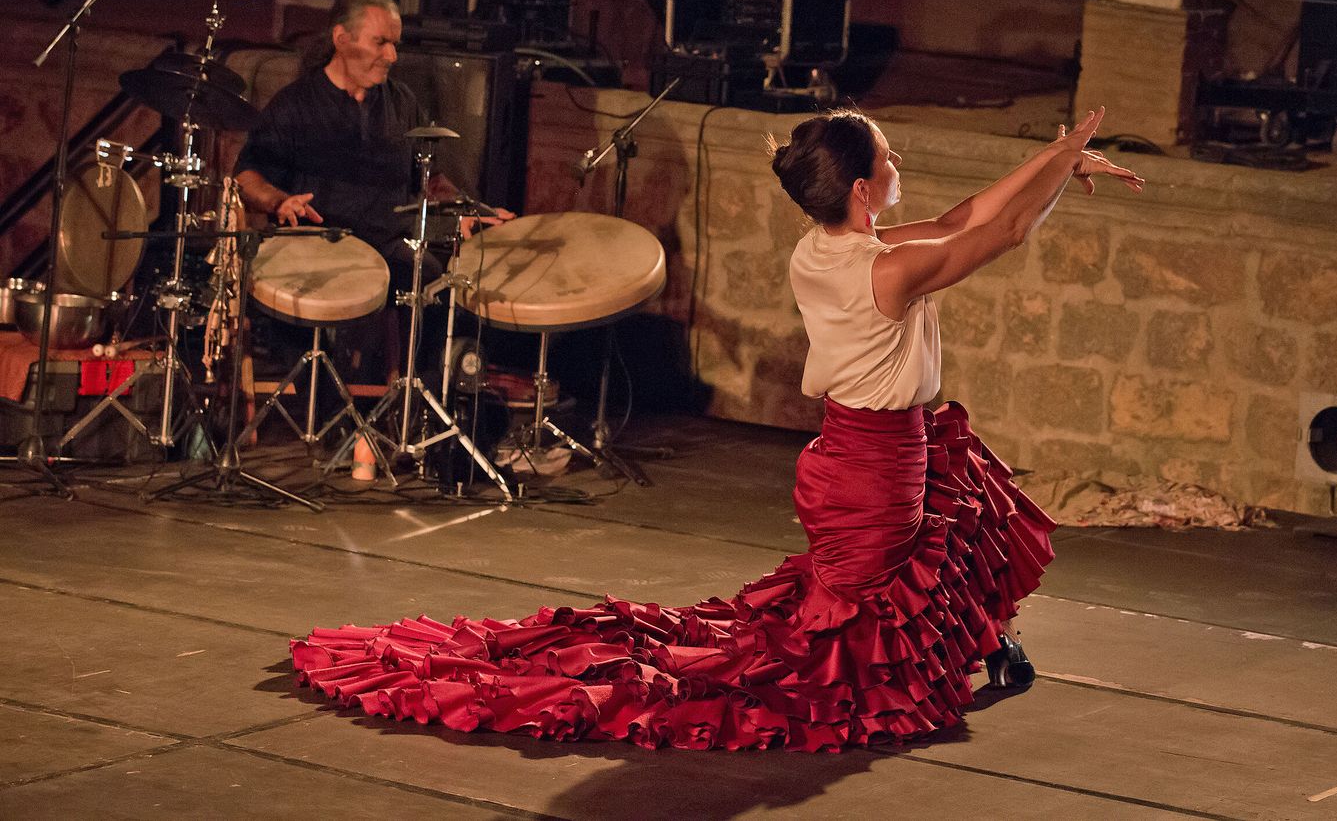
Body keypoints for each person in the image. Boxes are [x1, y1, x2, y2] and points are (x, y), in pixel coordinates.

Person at [288, 106, 1143, 750]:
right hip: (873, 473)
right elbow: (1005, 231)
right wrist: (1065, 163)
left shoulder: (830, 249)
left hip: (859, 455)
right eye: (888, 158)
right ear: (860, 186)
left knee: (957, 509)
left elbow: (963, 216)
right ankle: (972, 651)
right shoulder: (886, 271)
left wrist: (1055, 155)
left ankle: (994, 642)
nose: (899, 163)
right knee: (829, 644)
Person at [234, 0, 511, 473]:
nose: (392, 56)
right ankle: (352, 417)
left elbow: (430, 180)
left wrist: (474, 209)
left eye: (394, 44)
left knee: (437, 276)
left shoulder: (400, 102)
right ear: (341, 40)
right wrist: (280, 201)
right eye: (381, 43)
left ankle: (415, 422)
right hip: (322, 240)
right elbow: (248, 175)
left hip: (386, 236)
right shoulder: (297, 103)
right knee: (360, 286)